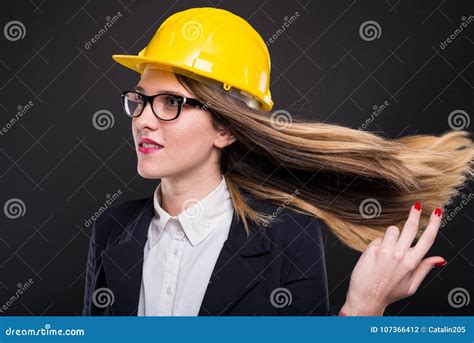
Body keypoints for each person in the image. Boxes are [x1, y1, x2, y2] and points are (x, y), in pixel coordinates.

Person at [82, 7, 474, 316]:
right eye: (140, 99)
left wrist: (364, 307)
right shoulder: (112, 229)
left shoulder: (289, 237)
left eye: (171, 102)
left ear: (225, 129)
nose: (143, 119)